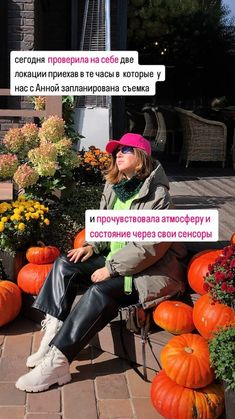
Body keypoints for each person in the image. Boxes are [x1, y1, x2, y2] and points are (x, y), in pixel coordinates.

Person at [16, 133, 187, 393]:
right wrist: (92, 246)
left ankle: (58, 361)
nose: (117, 154)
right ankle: (52, 336)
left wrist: (110, 268)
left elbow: (150, 247)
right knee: (65, 264)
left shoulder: (159, 197)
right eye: (116, 150)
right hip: (115, 261)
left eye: (125, 150)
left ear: (141, 157)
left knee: (100, 291)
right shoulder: (114, 187)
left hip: (146, 273)